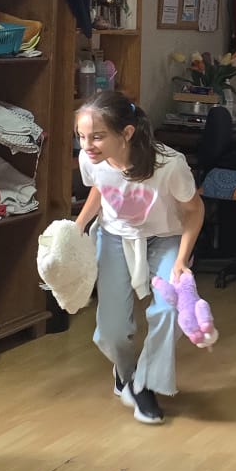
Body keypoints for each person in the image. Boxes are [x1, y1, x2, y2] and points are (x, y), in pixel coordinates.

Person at [74, 91, 206, 426]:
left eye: (97, 136)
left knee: (169, 308)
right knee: (112, 330)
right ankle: (126, 372)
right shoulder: (90, 159)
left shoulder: (169, 165)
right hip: (115, 237)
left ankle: (145, 384)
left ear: (127, 132)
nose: (87, 145)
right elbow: (100, 188)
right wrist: (78, 225)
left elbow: (194, 210)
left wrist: (182, 259)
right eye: (81, 136)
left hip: (166, 238)